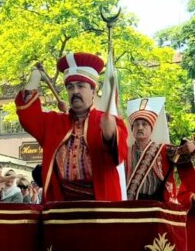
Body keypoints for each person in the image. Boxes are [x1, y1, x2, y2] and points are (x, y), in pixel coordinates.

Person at [16, 52, 128, 201]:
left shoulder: (107, 120)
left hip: (100, 208)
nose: (75, 91)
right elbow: (27, 115)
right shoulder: (53, 123)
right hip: (62, 208)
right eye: (70, 87)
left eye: (81, 86)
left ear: (93, 91)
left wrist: (111, 135)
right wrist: (35, 76)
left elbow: (121, 156)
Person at [124, 97, 195, 202]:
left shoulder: (164, 150)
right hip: (131, 204)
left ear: (151, 128)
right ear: (132, 129)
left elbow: (183, 154)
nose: (140, 127)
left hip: (156, 204)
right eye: (136, 124)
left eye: (144, 124)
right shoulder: (125, 151)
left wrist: (193, 146)